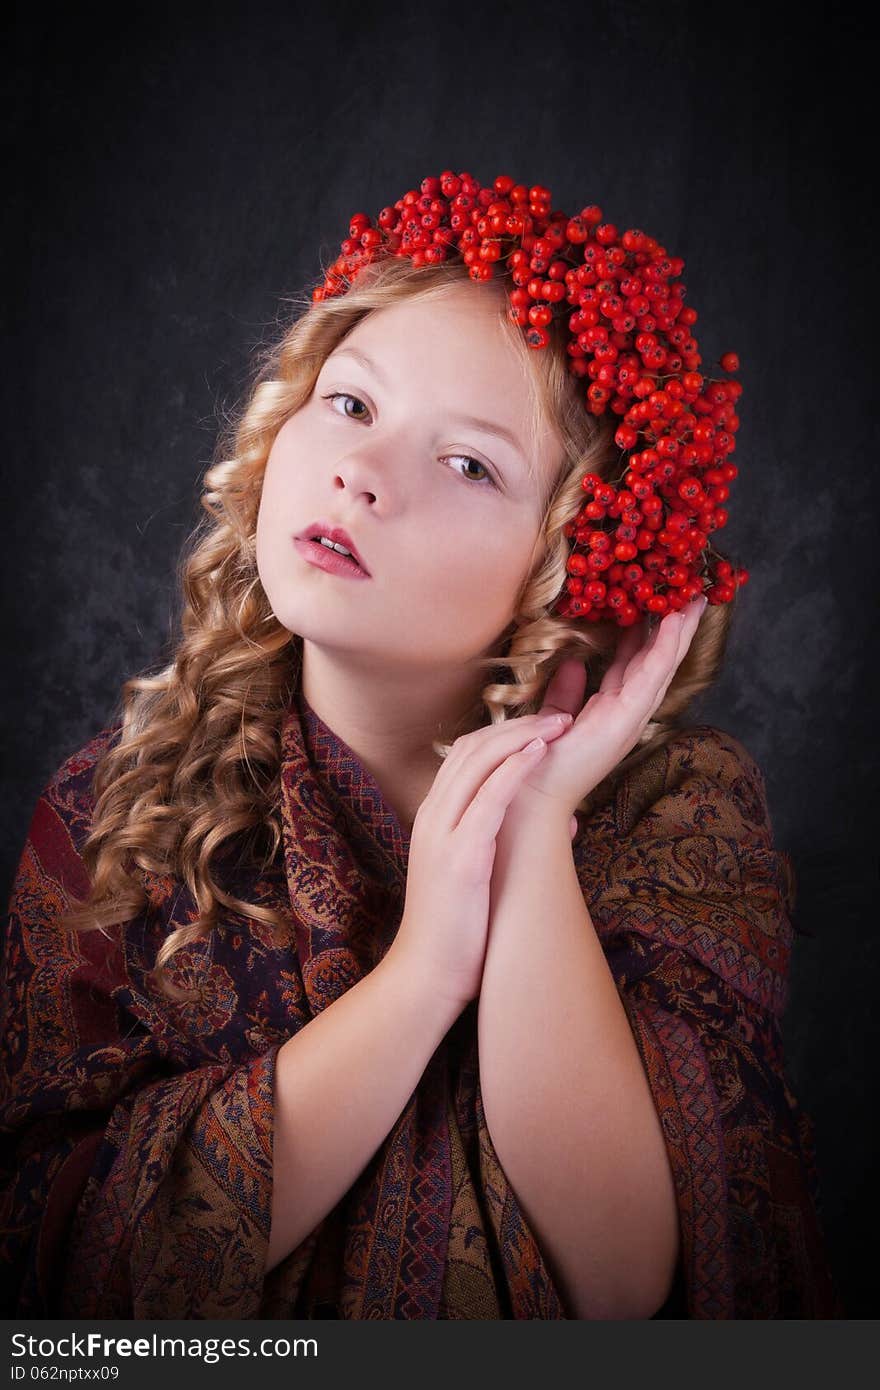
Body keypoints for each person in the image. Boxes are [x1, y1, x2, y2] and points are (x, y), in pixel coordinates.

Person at [0, 171, 841, 1319]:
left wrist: (534, 830)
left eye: (468, 464)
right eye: (350, 404)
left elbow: (631, 1282)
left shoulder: (679, 816)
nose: (361, 473)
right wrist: (424, 974)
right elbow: (66, 1276)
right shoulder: (115, 811)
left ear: (568, 568)